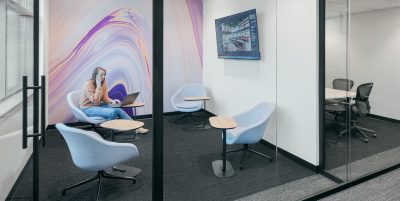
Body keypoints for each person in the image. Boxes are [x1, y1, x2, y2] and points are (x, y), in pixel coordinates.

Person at [79, 67, 149, 134]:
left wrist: (111, 101)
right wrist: (98, 86)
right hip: (87, 108)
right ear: (95, 76)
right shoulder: (88, 84)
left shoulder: (103, 82)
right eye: (101, 75)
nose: (103, 77)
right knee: (112, 112)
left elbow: (104, 98)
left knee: (118, 109)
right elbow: (96, 102)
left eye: (104, 75)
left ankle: (136, 128)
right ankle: (113, 130)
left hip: (97, 106)